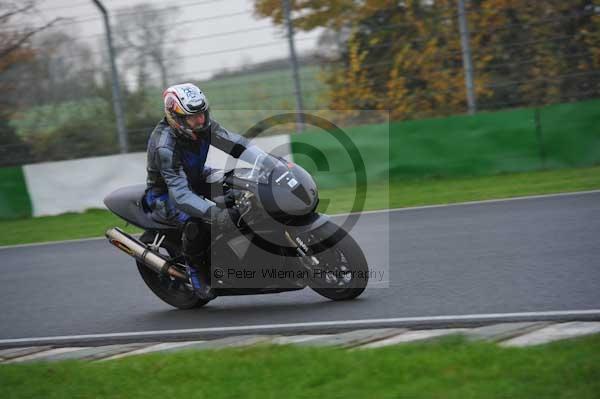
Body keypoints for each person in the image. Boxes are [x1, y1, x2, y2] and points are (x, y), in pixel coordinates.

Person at [145, 82, 254, 300]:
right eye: (193, 117)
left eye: (203, 114)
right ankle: (196, 270)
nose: (201, 120)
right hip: (167, 193)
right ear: (175, 117)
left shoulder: (203, 126)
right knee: (197, 221)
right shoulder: (164, 145)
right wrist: (214, 214)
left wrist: (266, 161)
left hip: (196, 177)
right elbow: (181, 194)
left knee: (242, 183)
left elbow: (234, 143)